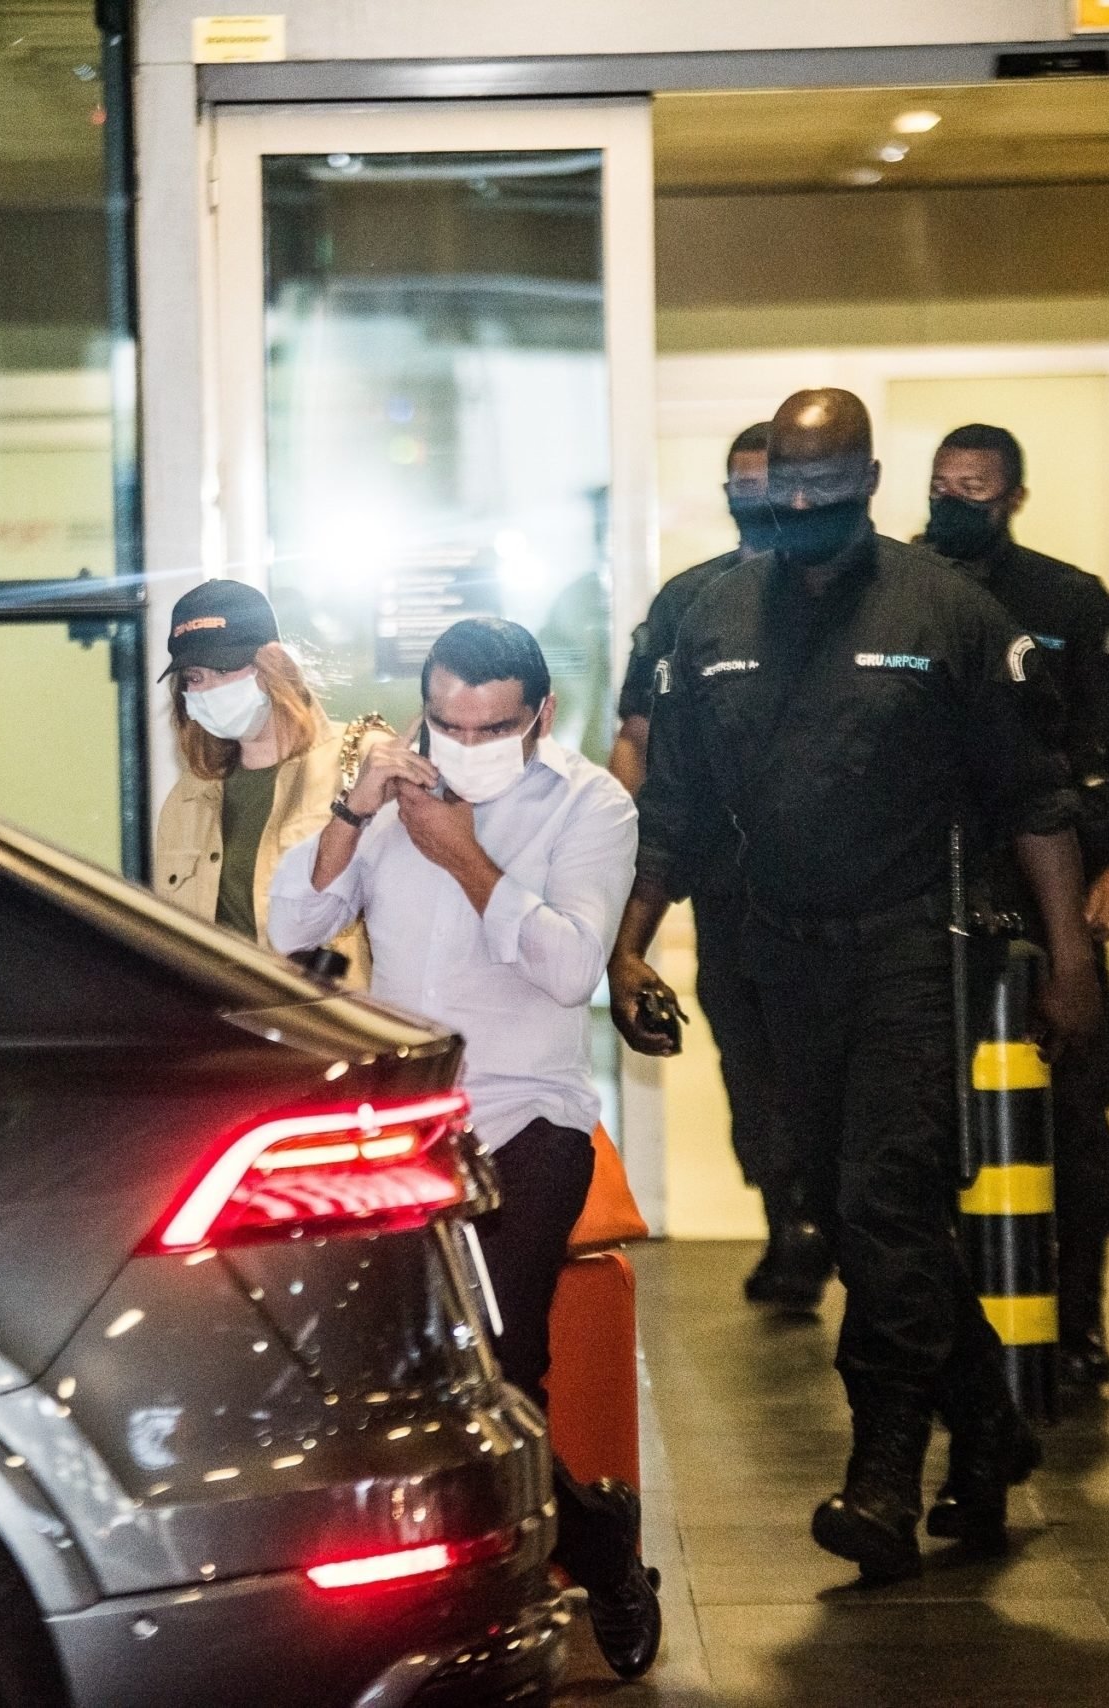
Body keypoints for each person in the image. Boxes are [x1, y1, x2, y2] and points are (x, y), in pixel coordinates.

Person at [612, 388, 1098, 1583]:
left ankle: (882, 1471)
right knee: (845, 1205)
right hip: (777, 954)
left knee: (885, 1201)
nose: (800, 513)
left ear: (869, 483)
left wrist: (1070, 959)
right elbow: (667, 808)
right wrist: (628, 945)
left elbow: (1034, 798)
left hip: (913, 947)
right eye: (782, 491)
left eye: (825, 496)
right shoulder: (706, 612)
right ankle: (985, 1425)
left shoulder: (947, 611)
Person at [268, 616, 658, 1676]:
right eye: (445, 721)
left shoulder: (590, 805)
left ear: (537, 714)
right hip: (403, 1128)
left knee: (503, 1363)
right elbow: (290, 929)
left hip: (528, 1118)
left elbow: (569, 964)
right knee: (395, 1378)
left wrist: (467, 858)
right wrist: (355, 811)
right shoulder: (387, 790)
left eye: (488, 724)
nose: (463, 740)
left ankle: (507, 1606)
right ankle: (595, 1535)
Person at [921, 424, 1109, 1390]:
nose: (954, 502)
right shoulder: (899, 594)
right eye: (940, 485)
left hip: (1050, 897)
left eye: (974, 488)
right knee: (926, 1126)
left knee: (1072, 1119)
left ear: (1014, 497)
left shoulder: (1066, 602)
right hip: (929, 896)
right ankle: (949, 1334)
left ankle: (1077, 1326)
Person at [610, 423, 830, 1309]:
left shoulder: (863, 595)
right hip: (733, 893)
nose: (758, 501)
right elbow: (640, 740)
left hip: (861, 894)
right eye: (741, 484)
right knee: (755, 1071)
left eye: (770, 483)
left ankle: (844, 1221)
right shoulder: (690, 604)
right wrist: (619, 870)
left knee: (849, 1073)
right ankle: (792, 1224)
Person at [153, 579, 363, 976]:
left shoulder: (355, 762)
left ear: (273, 667)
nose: (207, 689)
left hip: (332, 1022)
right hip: (227, 1027)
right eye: (195, 678)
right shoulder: (187, 798)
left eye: (222, 669)